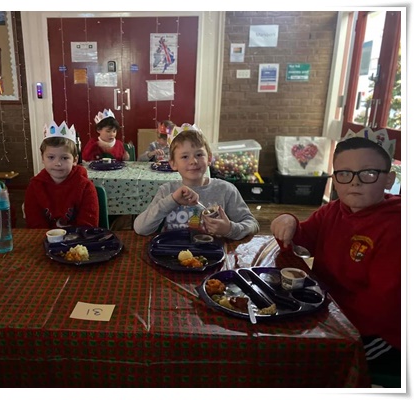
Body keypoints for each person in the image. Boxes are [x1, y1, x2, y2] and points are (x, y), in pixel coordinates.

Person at [270, 136, 400, 380]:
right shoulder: (333, 210)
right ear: (335, 179)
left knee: (296, 361)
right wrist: (289, 221)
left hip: (379, 336)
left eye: (368, 173)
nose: (355, 182)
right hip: (329, 310)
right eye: (344, 174)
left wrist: (324, 316)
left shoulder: (398, 226)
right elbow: (302, 238)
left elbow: (383, 308)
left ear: (389, 180)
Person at [134, 124, 259, 240]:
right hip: (172, 253)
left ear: (209, 158)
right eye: (184, 157)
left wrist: (229, 229)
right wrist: (173, 200)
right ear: (173, 163)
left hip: (212, 253)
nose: (193, 161)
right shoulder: (166, 191)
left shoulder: (226, 190)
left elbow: (252, 224)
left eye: (199, 155)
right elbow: (140, 228)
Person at [25, 121, 99, 229]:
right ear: (42, 158)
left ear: (75, 160)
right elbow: (34, 224)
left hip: (78, 238)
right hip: (44, 237)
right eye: (51, 157)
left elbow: (88, 225)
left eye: (64, 158)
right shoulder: (35, 186)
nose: (57, 163)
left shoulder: (85, 187)